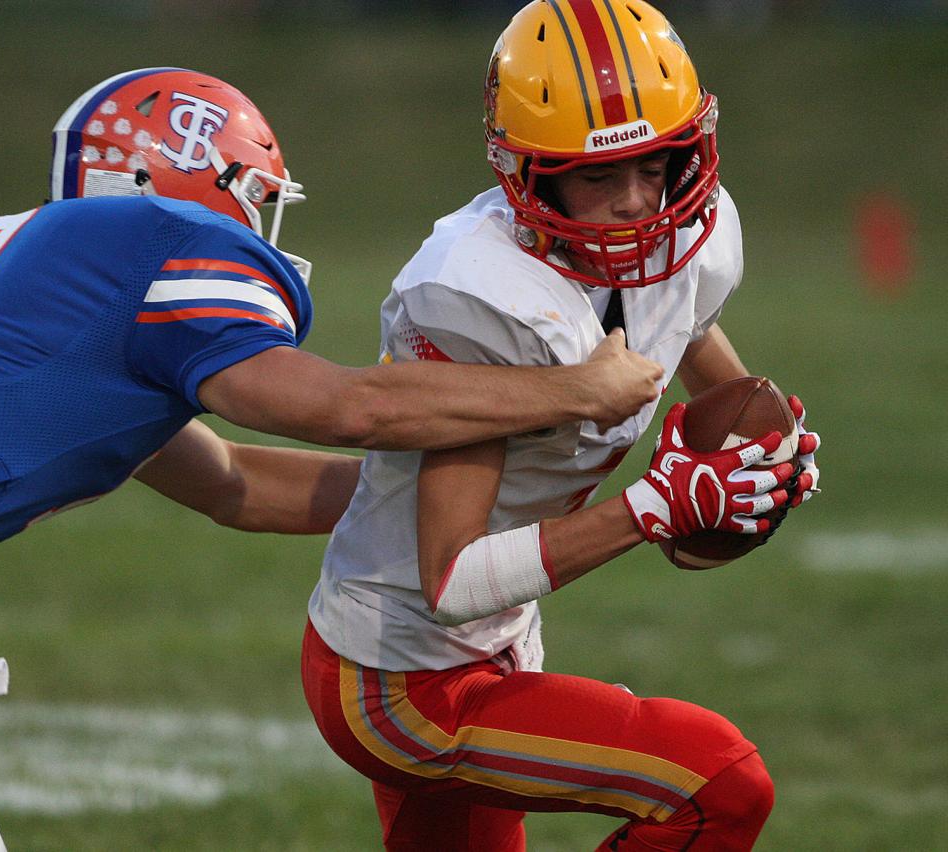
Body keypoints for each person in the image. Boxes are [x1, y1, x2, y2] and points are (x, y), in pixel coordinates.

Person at [0, 67, 664, 849]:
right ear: (191, 178)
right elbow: (340, 406)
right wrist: (581, 391)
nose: (256, 222)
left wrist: (454, 509)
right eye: (253, 195)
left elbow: (233, 483)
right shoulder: (158, 242)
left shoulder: (61, 285)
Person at [302, 4, 822, 851]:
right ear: (531, 177)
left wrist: (770, 446)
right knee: (715, 782)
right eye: (596, 179)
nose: (636, 204)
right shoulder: (478, 297)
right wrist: (650, 507)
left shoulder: (688, 237)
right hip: (400, 677)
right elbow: (453, 579)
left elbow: (681, 320)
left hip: (489, 650)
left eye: (656, 166)